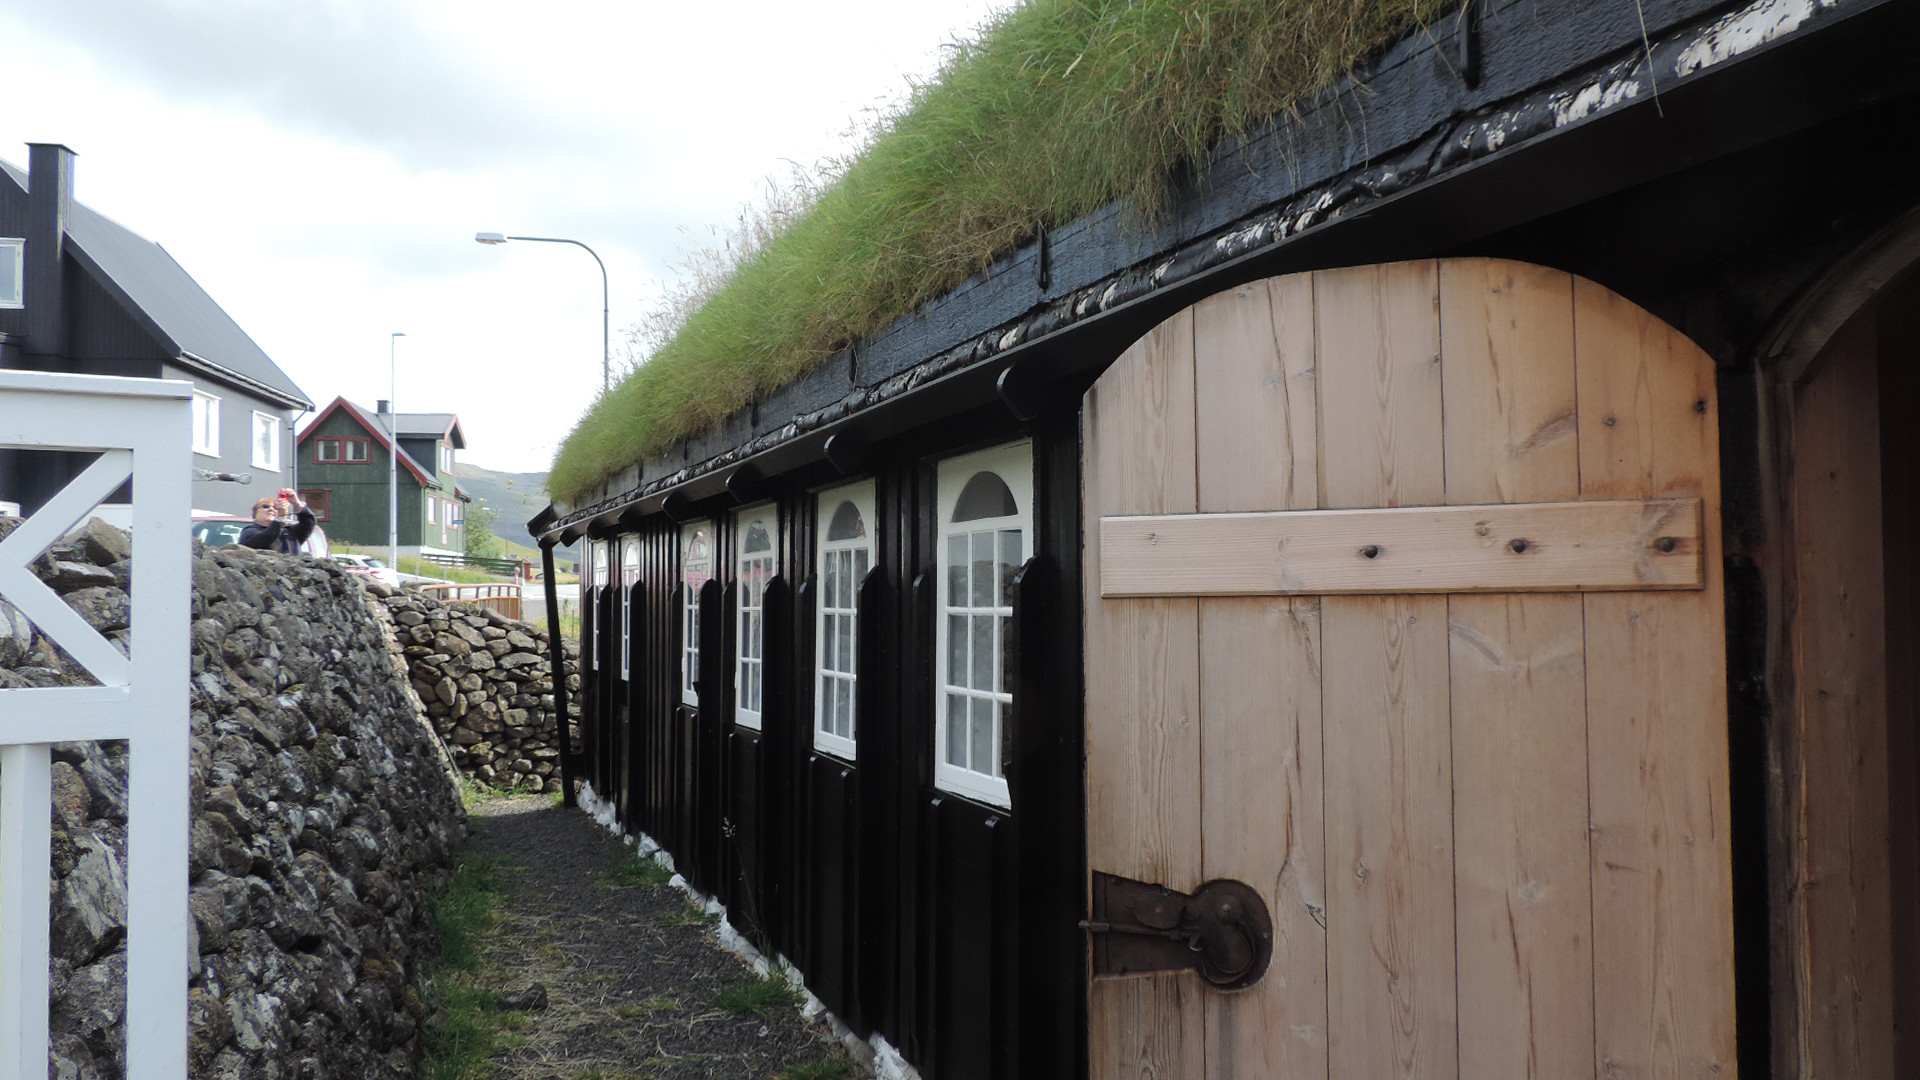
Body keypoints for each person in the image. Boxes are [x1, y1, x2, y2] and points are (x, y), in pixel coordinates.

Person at [239, 490, 316, 553]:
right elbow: (265, 539)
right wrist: (280, 517)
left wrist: (297, 504)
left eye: (275, 508)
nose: (271, 509)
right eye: (265, 506)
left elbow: (308, 523)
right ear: (255, 514)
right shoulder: (249, 531)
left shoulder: (290, 532)